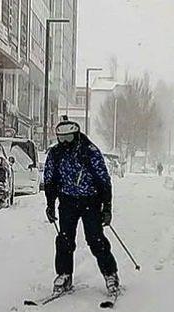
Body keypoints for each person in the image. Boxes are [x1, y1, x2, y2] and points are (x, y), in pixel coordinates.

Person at [43, 120, 120, 295]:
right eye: (61, 138)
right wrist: (50, 204)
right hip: (67, 201)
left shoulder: (89, 151)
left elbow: (104, 180)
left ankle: (110, 273)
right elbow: (50, 180)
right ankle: (64, 274)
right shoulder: (55, 154)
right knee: (64, 240)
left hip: (90, 201)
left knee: (95, 239)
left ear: (76, 136)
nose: (65, 143)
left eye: (69, 138)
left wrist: (107, 207)